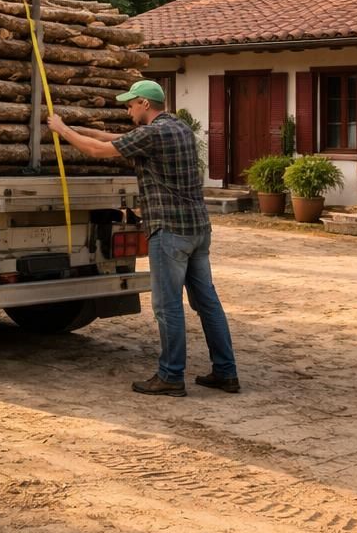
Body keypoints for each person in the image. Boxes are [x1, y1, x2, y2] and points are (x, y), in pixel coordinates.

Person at [47, 79, 240, 397]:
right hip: (198, 230)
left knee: (167, 306)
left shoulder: (152, 134)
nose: (128, 110)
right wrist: (82, 129)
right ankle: (226, 372)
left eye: (131, 104)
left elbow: (97, 151)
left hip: (170, 232)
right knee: (208, 304)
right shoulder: (178, 127)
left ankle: (171, 376)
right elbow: (118, 140)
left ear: (145, 104)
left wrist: (61, 129)